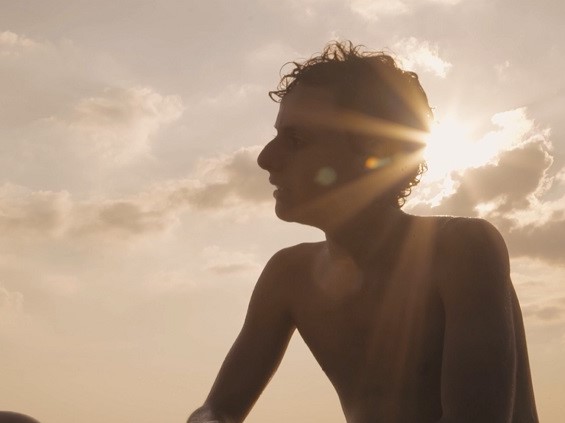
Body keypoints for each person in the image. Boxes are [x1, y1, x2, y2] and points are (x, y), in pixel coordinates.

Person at [188, 41, 538, 422]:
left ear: (378, 153)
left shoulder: (462, 250)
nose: (265, 158)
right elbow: (218, 408)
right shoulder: (287, 276)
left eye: (296, 140)